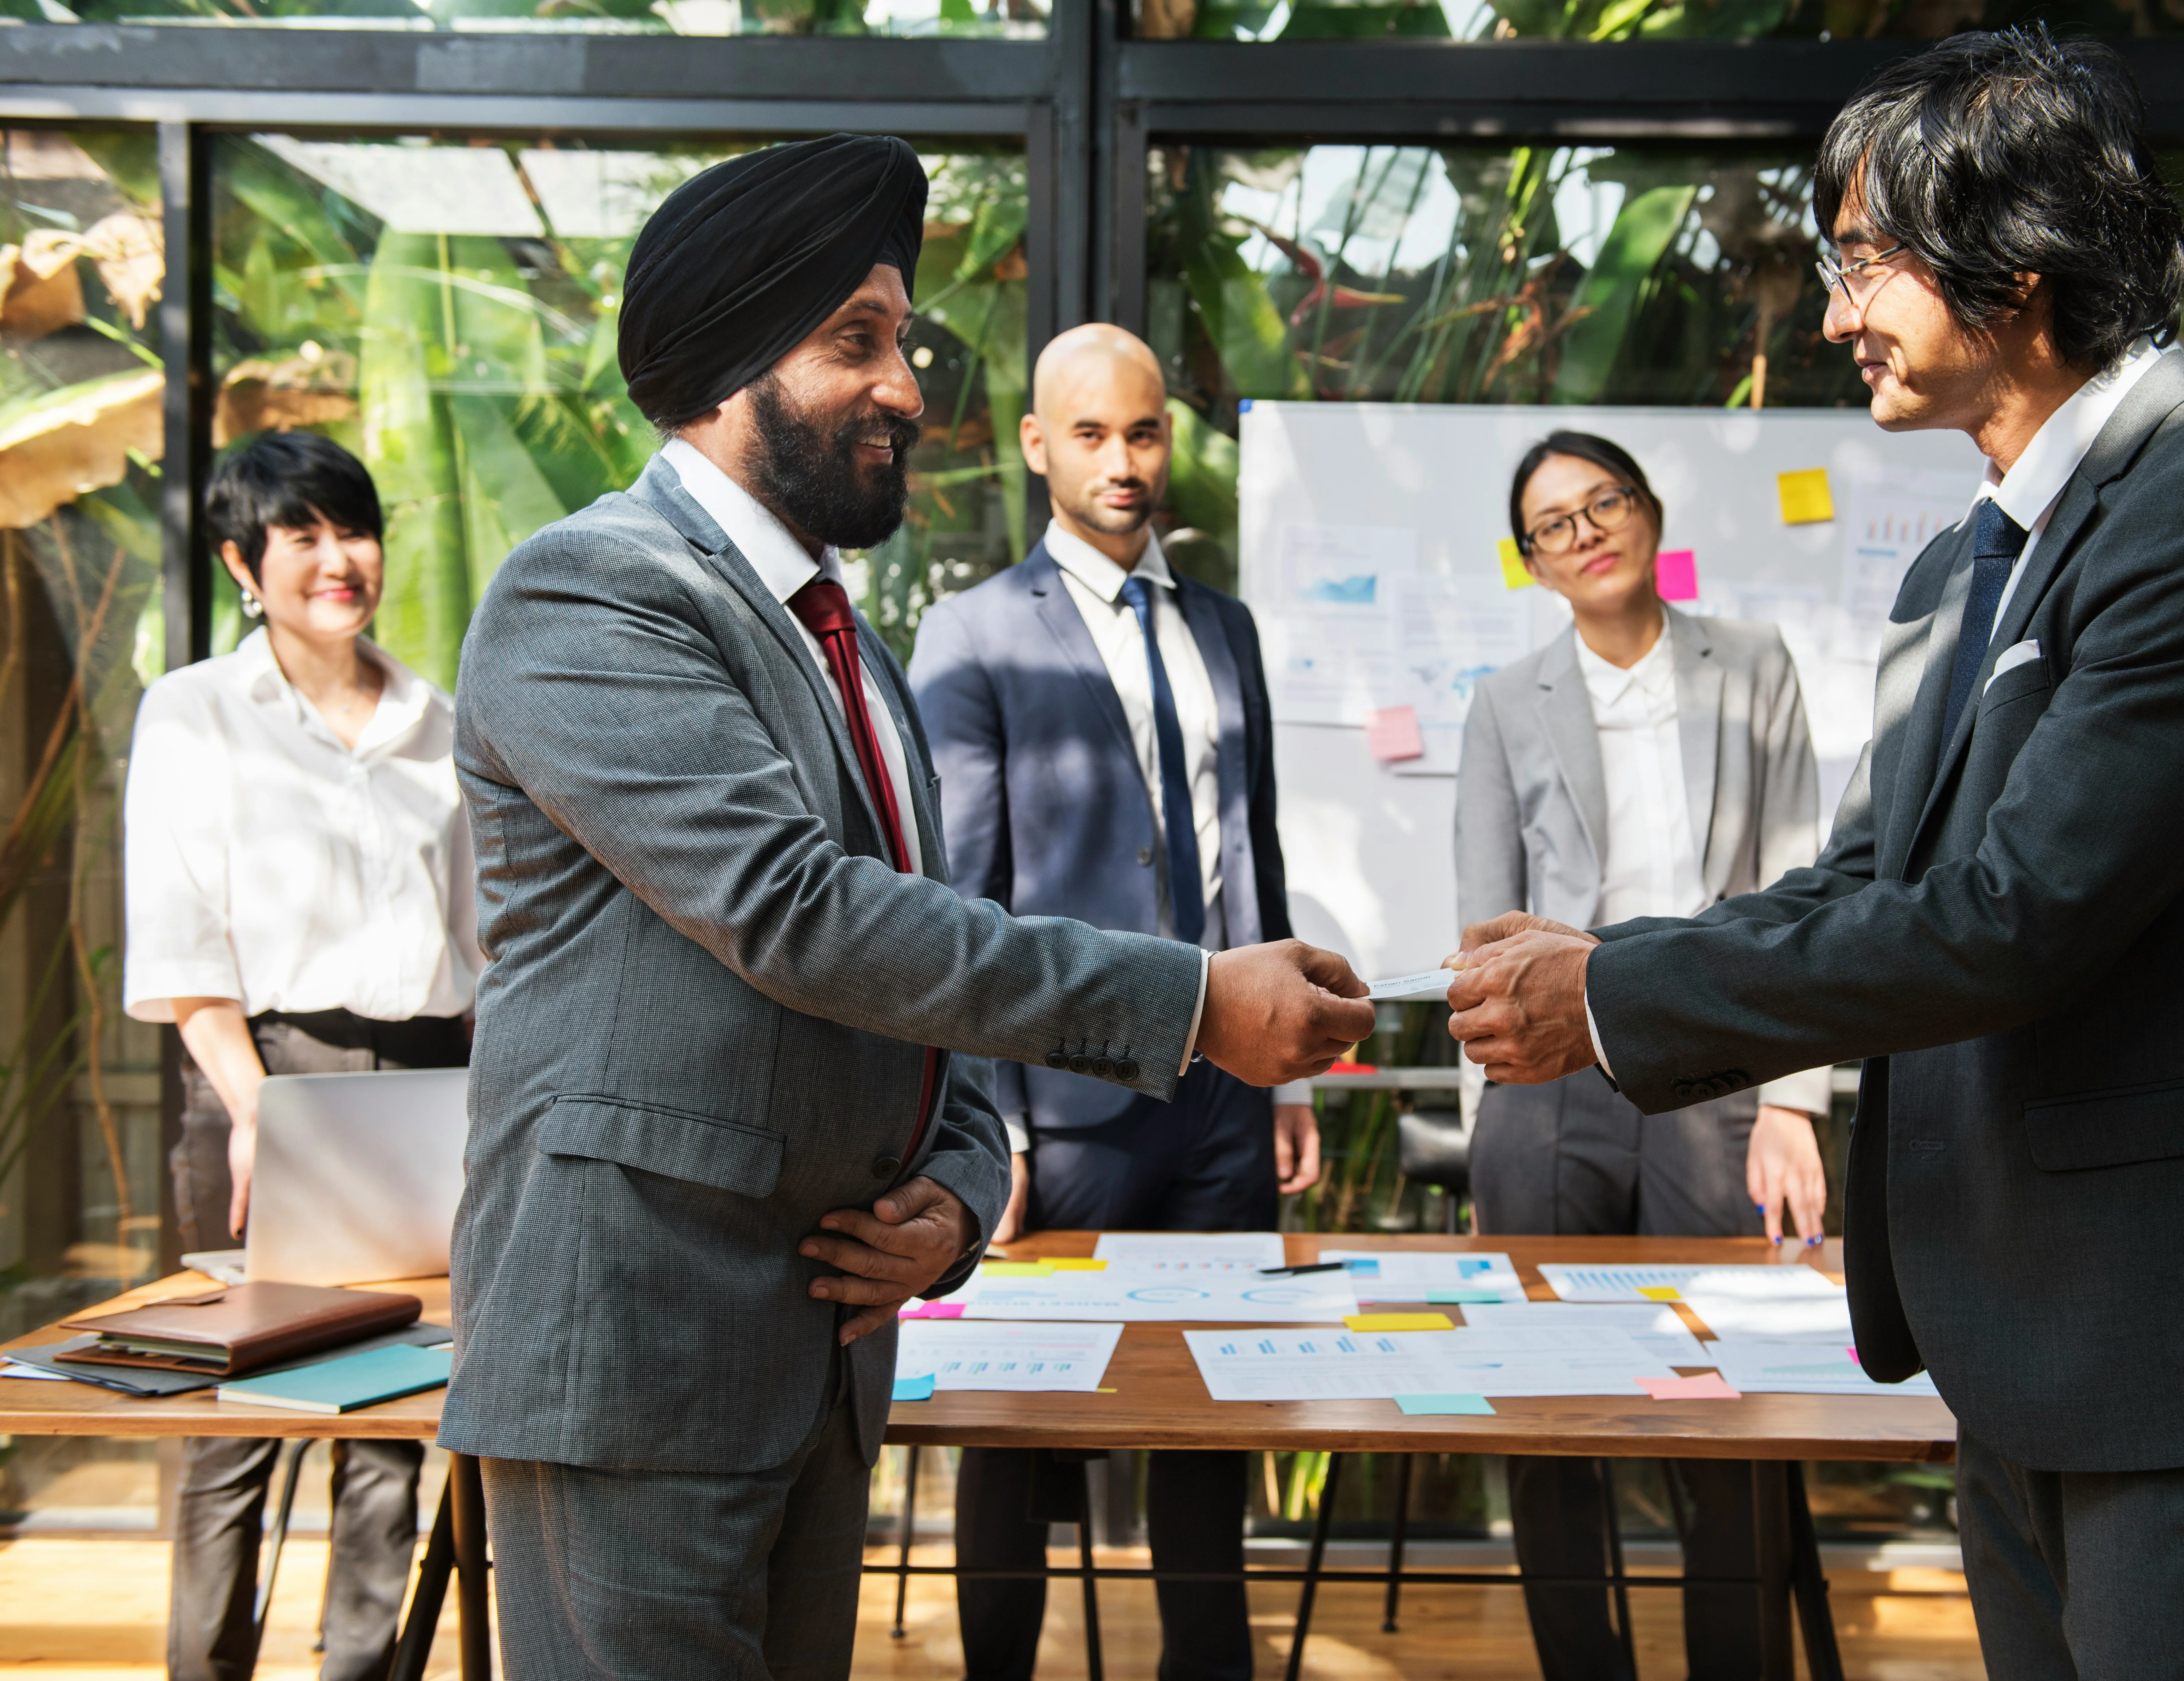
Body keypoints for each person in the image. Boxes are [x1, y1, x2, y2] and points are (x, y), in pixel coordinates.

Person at [1445, 29, 2184, 1679]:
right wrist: (1589, 981)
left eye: (1863, 264)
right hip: (2025, 1342)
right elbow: (1869, 882)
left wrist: (1613, 993)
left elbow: (2012, 916)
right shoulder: (1969, 560)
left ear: (2018, 264)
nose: (1832, 315)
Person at [444, 132, 1374, 1681]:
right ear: (725, 365)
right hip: (640, 1362)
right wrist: (1196, 1001)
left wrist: (950, 1196)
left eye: (903, 343)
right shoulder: (588, 593)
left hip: (813, 1359)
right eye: (852, 344)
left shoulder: (848, 651)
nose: (905, 391)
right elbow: (797, 913)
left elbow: (915, 967)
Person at [910, 323, 1316, 1681]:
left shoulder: (1226, 628)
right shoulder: (970, 636)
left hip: (1224, 1095)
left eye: (1142, 432)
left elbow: (1250, 850)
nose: (1123, 461)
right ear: (1037, 447)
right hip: (1065, 1107)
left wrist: (1292, 1067)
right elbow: (959, 904)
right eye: (1090, 434)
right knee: (1021, 1429)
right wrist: (993, 1127)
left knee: (1213, 1418)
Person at [1455, 428, 1832, 1681]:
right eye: (1552, 524)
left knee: (1728, 1392)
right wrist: (1499, 1094)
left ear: (1651, 514)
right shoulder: (1507, 703)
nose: (1585, 532)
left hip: (1714, 1070)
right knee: (1548, 1397)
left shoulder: (1753, 666)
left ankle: (1741, 1662)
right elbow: (1485, 929)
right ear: (1534, 564)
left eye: (1602, 502)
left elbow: (1798, 895)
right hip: (1547, 1086)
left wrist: (1793, 1105)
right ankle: (1585, 1665)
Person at [123, 430, 478, 1681]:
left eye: (356, 529)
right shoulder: (196, 715)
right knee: (235, 1421)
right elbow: (181, 955)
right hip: (261, 1079)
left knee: (389, 1420)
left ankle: (361, 1672)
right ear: (242, 561)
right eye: (305, 536)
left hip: (424, 1088)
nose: (340, 560)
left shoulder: (441, 721)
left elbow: (475, 947)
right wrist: (261, 1118)